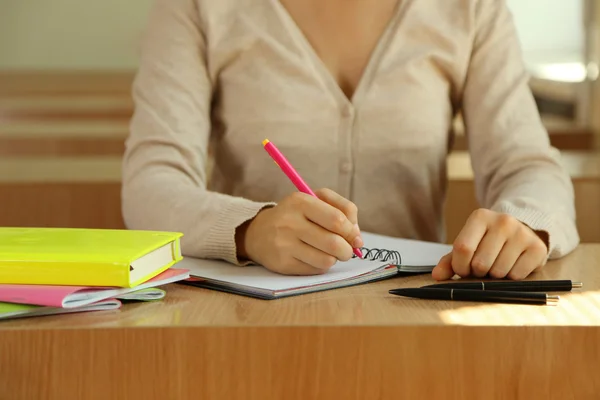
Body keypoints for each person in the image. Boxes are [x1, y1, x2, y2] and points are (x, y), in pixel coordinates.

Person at [121, 0, 580, 281]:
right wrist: (249, 230)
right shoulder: (197, 6)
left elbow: (527, 164)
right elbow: (151, 182)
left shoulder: (471, 8)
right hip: (247, 318)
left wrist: (527, 225)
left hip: (416, 316)